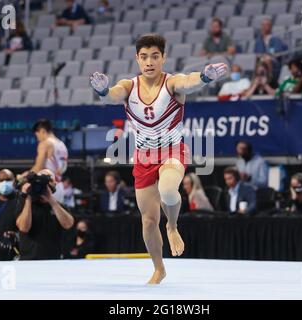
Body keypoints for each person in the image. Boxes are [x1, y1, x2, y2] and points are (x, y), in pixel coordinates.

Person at [90, 33, 228, 284]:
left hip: (172, 150)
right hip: (143, 157)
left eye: (155, 56)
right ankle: (158, 268)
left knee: (167, 190)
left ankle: (173, 226)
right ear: (137, 59)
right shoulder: (129, 86)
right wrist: (101, 90)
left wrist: (206, 77)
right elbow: (112, 95)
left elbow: (189, 83)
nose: (149, 62)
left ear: (163, 57)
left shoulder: (172, 83)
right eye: (144, 57)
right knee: (148, 220)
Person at [16, 169, 74, 260]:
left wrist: (51, 200)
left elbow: (68, 224)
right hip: (28, 261)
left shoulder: (59, 206)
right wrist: (28, 198)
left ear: (55, 184)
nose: (45, 185)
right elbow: (23, 228)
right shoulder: (25, 204)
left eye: (49, 181)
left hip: (53, 260)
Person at [17, 119, 68, 204]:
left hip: (48, 189)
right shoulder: (62, 145)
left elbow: (38, 167)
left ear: (42, 131)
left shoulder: (45, 144)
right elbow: (63, 167)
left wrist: (24, 177)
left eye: (37, 135)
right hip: (59, 186)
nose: (38, 139)